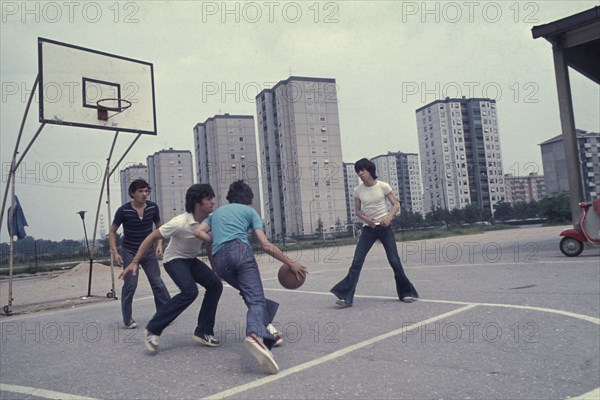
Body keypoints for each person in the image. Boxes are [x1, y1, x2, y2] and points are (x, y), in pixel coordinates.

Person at [195, 180, 307, 374]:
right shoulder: (250, 212)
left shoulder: (216, 214)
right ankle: (256, 335)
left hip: (220, 260)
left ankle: (266, 330)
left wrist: (216, 245)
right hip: (240, 252)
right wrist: (290, 262)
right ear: (249, 199)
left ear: (230, 197)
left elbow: (198, 232)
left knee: (250, 295)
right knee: (256, 299)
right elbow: (265, 244)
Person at [120, 184, 223, 353]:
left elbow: (209, 245)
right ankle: (153, 329)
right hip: (174, 260)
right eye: (208, 198)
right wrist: (135, 261)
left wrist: (215, 270)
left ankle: (204, 331)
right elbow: (151, 237)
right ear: (197, 203)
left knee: (215, 285)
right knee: (190, 292)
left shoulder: (208, 222)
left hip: (190, 259)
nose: (213, 201)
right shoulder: (180, 222)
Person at [331, 158, 418, 307]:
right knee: (357, 261)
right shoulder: (358, 190)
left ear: (370, 170)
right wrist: (366, 219)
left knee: (394, 261)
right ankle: (346, 297)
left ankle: (406, 293)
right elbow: (358, 211)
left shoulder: (383, 186)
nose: (360, 174)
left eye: (362, 170)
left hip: (385, 228)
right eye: (358, 171)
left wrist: (389, 217)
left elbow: (396, 204)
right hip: (368, 230)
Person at [109, 179, 170, 329]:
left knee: (157, 282)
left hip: (148, 251)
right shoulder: (123, 210)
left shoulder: (153, 207)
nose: (144, 194)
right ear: (132, 193)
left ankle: (165, 313)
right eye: (140, 191)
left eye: (146, 191)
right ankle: (128, 318)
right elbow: (112, 231)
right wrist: (115, 252)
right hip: (130, 251)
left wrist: (159, 244)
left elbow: (159, 228)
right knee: (130, 285)